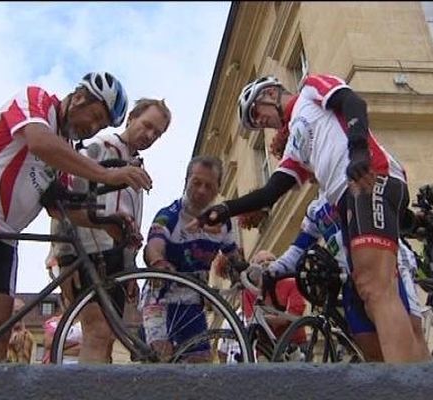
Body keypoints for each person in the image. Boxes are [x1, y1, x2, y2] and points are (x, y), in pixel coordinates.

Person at [191, 73, 429, 362]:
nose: (259, 123)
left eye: (256, 113)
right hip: (345, 199)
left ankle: (410, 384)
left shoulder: (309, 89)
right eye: (254, 123)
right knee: (366, 303)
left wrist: (357, 151)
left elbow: (351, 101)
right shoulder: (295, 146)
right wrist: (224, 210)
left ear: (269, 93)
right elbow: (270, 192)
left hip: (368, 178)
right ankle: (402, 379)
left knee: (375, 286)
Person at [0, 71, 152, 362]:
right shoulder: (36, 101)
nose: (93, 128)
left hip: (6, 232)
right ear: (80, 98)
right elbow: (38, 143)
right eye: (95, 116)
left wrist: (109, 224)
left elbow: (62, 208)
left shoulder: (67, 151)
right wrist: (106, 174)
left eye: (101, 125)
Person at [53, 98, 172, 363]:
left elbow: (132, 227)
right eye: (147, 125)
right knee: (97, 332)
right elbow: (64, 195)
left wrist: (130, 272)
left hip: (117, 261)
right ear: (131, 118)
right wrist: (62, 254)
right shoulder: (100, 147)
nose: (150, 135)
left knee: (106, 338)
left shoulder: (137, 168)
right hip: (88, 249)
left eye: (158, 133)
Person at [268, 191, 430, 361]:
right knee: (367, 345)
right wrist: (272, 270)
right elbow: (298, 249)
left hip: (389, 263)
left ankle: (423, 382)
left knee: (410, 333)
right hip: (350, 277)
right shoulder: (315, 210)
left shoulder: (350, 186)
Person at [143, 156, 242, 362]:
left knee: (201, 363)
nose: (201, 191)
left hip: (191, 301)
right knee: (162, 358)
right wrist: (158, 262)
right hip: (160, 298)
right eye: (196, 183)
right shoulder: (169, 215)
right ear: (186, 180)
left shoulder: (223, 225)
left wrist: (244, 273)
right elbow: (154, 245)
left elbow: (234, 256)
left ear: (218, 188)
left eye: (209, 185)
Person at [6, 298, 35, 364]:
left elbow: (23, 363)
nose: (19, 315)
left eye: (21, 312)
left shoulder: (26, 336)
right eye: (16, 312)